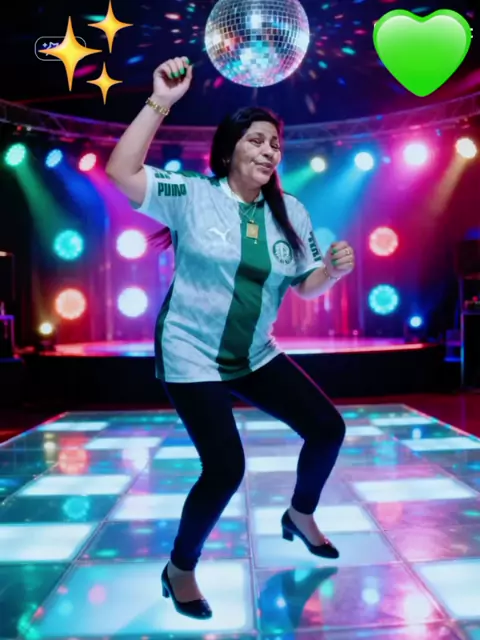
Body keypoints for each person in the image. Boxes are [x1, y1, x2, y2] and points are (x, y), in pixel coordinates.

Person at [106, 56, 355, 621]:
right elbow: (121, 170)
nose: (270, 151)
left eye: (276, 144)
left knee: (327, 428)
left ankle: (299, 514)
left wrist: (331, 272)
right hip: (190, 354)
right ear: (229, 150)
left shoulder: (291, 211)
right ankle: (180, 568)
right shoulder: (192, 195)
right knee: (224, 468)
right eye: (257, 140)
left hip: (255, 354)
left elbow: (306, 287)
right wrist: (161, 101)